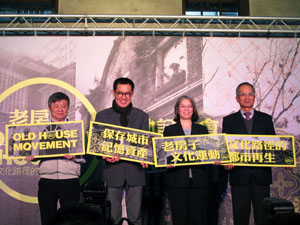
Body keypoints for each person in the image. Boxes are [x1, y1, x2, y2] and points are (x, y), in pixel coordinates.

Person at [95, 77, 149, 225]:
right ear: (114, 92)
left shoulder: (143, 116)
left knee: (136, 218)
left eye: (127, 93)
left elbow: (146, 144)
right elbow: (97, 146)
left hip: (135, 171)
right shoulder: (102, 116)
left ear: (132, 94)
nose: (123, 97)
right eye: (120, 93)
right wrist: (104, 156)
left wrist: (145, 156)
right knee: (112, 217)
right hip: (112, 170)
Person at [26, 92, 85, 225]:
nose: (60, 109)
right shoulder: (40, 129)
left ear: (68, 108)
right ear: (49, 108)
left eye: (63, 106)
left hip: (70, 179)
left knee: (71, 220)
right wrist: (31, 155)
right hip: (47, 180)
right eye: (56, 105)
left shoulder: (76, 129)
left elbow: (84, 157)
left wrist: (76, 156)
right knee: (47, 219)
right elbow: (36, 154)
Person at [222, 82, 276, 225]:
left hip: (261, 176)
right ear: (237, 98)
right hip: (239, 176)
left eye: (250, 94)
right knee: (240, 217)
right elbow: (225, 148)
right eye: (243, 94)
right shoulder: (229, 120)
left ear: (254, 97)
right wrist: (226, 162)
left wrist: (285, 159)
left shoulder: (266, 119)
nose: (247, 97)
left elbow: (274, 146)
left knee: (263, 217)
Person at [163, 95, 209, 225]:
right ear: (177, 110)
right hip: (177, 181)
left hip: (198, 181)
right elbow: (165, 155)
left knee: (198, 219)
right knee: (179, 218)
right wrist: (167, 163)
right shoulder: (169, 130)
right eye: (183, 106)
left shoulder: (202, 130)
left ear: (193, 110)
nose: (186, 109)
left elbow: (208, 153)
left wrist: (215, 158)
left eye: (189, 106)